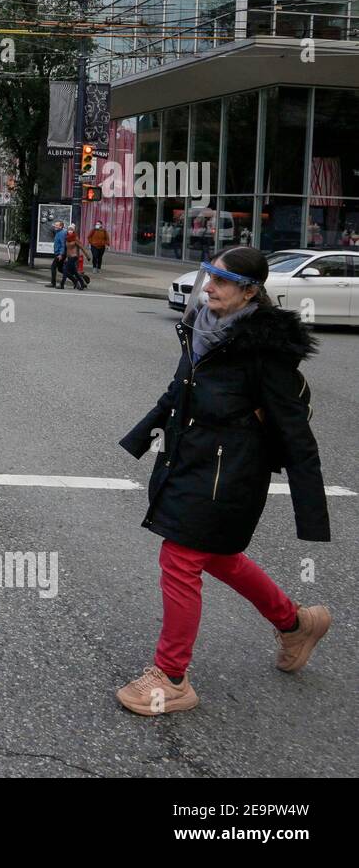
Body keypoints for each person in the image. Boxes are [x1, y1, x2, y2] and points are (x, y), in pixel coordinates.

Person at [117, 246, 331, 716]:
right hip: (187, 461)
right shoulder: (202, 330)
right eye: (207, 276)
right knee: (220, 558)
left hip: (230, 475)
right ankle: (295, 622)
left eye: (221, 280)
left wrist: (312, 515)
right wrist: (140, 436)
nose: (208, 286)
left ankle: (171, 677)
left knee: (179, 557)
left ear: (250, 292)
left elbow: (296, 431)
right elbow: (180, 392)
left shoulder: (264, 350)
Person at [60, 224, 88, 290]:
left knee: (65, 270)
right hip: (69, 257)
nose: (70, 231)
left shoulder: (75, 238)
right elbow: (67, 250)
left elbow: (81, 247)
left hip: (74, 256)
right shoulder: (67, 238)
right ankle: (82, 284)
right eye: (69, 230)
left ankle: (62, 285)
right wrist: (66, 257)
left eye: (71, 230)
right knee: (75, 272)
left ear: (73, 231)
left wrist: (87, 256)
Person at [49, 219, 66, 287]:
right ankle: (76, 279)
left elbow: (63, 245)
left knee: (53, 267)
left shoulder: (62, 233)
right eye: (55, 225)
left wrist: (61, 254)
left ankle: (53, 283)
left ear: (61, 226)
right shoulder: (58, 232)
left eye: (57, 225)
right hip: (59, 253)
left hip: (60, 254)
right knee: (60, 269)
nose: (55, 226)